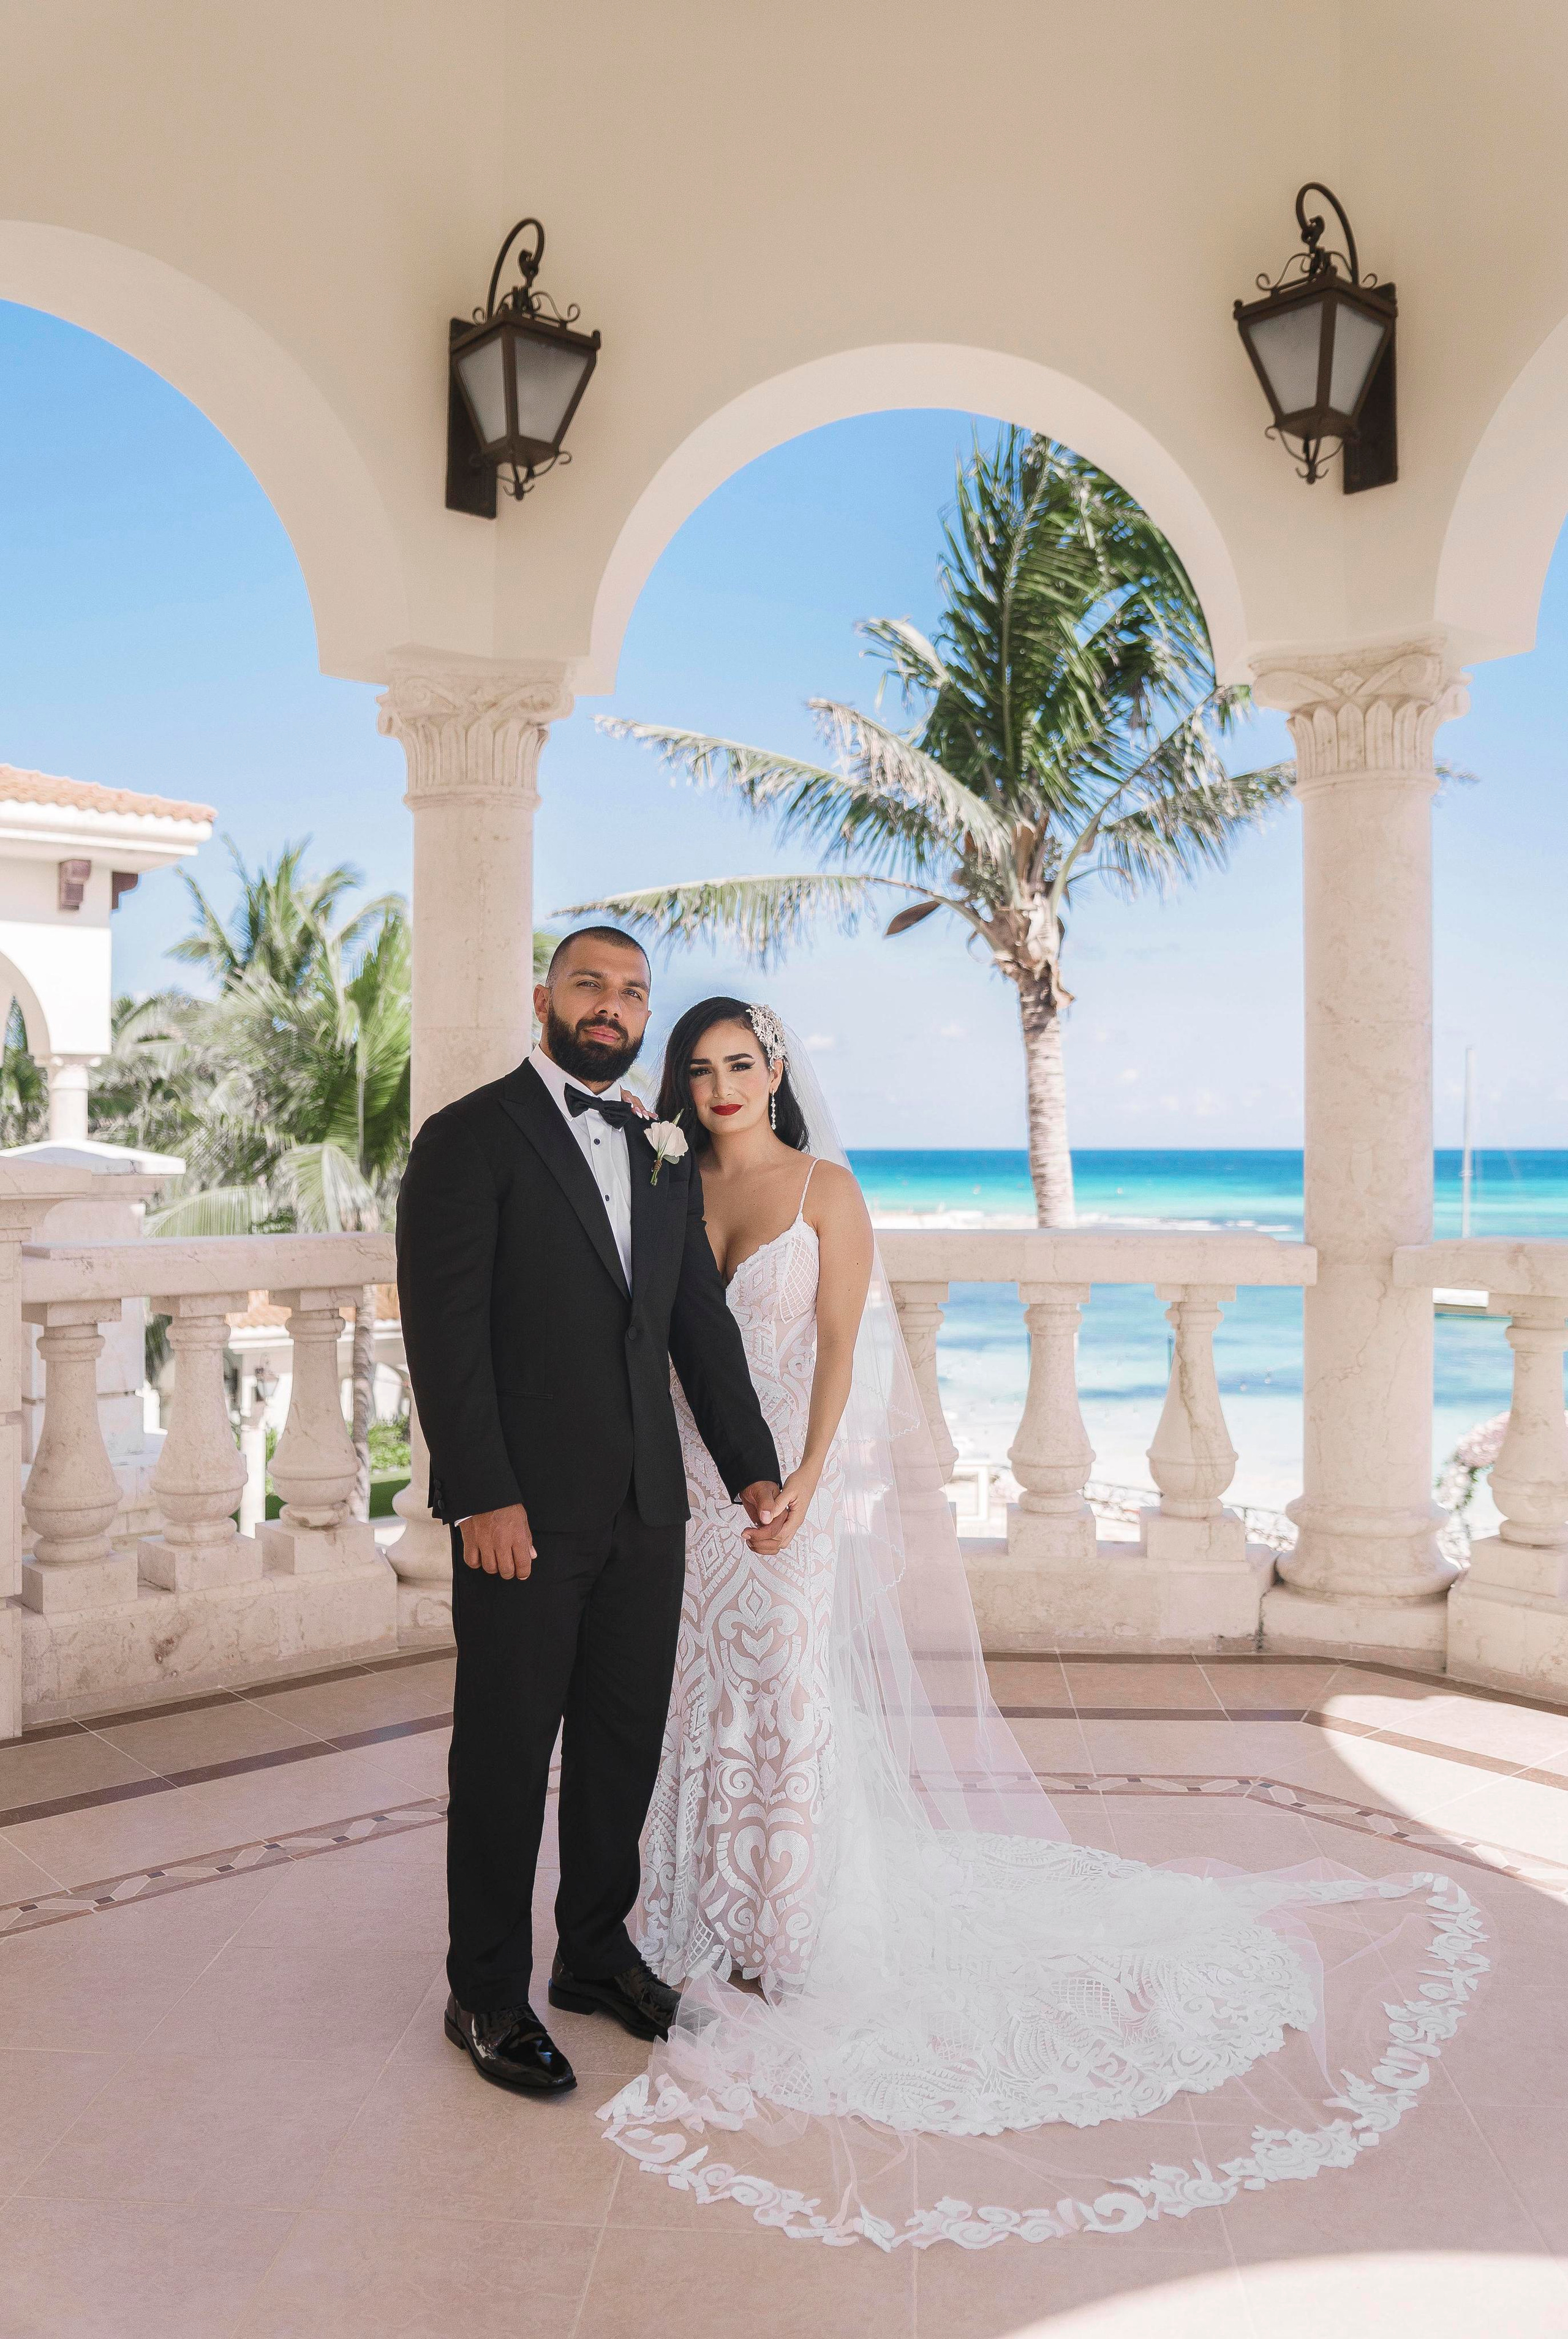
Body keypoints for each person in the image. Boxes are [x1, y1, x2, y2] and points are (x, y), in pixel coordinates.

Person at [603, 997, 1492, 2253]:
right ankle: (685, 1912)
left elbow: (846, 1348)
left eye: (738, 1063)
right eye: (698, 1070)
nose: (720, 1085)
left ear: (776, 1067)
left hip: (787, 1491)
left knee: (787, 1695)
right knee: (692, 1695)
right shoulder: (667, 1185)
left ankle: (782, 1924)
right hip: (688, 1484)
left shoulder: (828, 1192)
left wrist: (808, 1479)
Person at [395, 931, 782, 2100]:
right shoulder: (468, 1139)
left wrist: (752, 1466)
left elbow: (694, 1327)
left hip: (644, 1513)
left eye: (631, 993)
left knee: (624, 1747)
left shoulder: (663, 1155)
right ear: (544, 998)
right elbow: (444, 1336)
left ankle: (596, 1958)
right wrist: (482, 1499)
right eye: (589, 986)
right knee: (507, 1756)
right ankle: (487, 1993)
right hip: (522, 1516)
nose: (611, 1008)